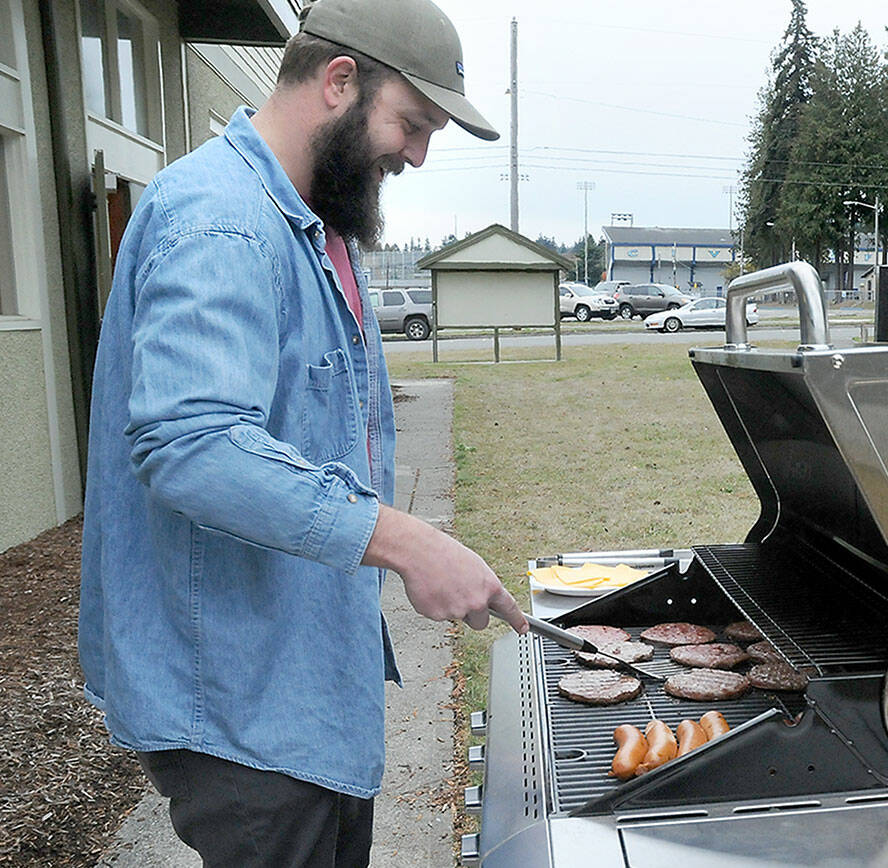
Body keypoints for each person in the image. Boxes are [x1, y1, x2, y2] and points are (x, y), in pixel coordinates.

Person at [77, 0, 527, 864]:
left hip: (306, 679)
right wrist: (406, 542)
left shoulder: (320, 225)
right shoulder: (217, 219)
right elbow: (191, 444)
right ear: (339, 81)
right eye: (413, 123)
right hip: (243, 707)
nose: (419, 154)